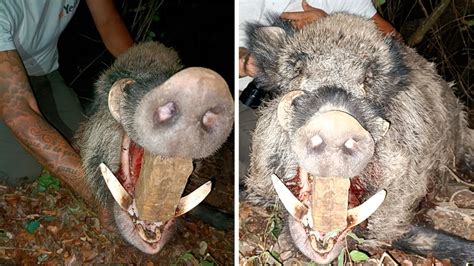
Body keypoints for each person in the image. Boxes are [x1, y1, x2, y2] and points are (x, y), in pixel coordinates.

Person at [238, 0, 402, 182]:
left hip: (342, 99)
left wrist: (330, 24)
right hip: (248, 98)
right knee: (259, 168)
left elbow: (395, 42)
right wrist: (245, 63)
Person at [0, 0, 134, 208]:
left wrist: (147, 78)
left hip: (43, 73)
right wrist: (100, 197)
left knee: (90, 149)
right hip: (5, 79)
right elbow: (19, 112)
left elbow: (108, 21)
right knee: (21, 172)